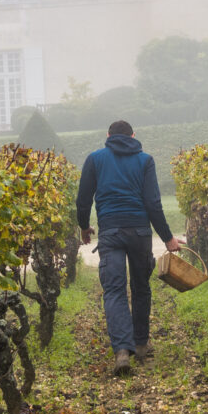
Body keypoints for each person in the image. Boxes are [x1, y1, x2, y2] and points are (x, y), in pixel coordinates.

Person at [76, 120, 183, 376]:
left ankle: (122, 351)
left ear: (108, 135)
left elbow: (83, 198)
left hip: (111, 232)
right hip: (140, 232)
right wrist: (167, 237)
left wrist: (83, 226)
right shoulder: (145, 160)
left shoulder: (95, 159)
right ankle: (141, 344)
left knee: (114, 290)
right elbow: (152, 203)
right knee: (141, 287)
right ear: (134, 135)